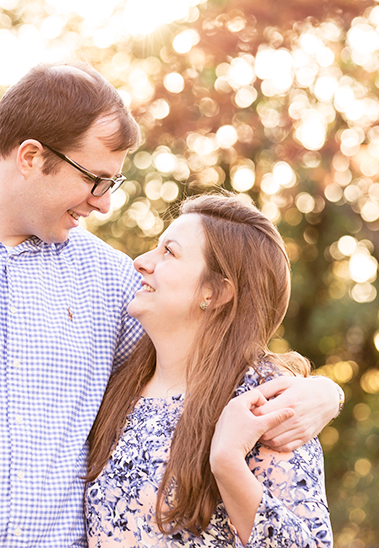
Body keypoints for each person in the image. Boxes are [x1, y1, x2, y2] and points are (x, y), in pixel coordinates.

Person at [0, 62, 342, 547]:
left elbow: (201, 352)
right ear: (31, 157)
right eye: (95, 179)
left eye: (112, 183)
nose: (101, 203)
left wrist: (322, 393)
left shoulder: (109, 280)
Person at [85, 193, 333, 547]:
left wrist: (228, 463)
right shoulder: (121, 382)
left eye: (168, 252)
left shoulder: (263, 399)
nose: (141, 262)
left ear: (215, 292)